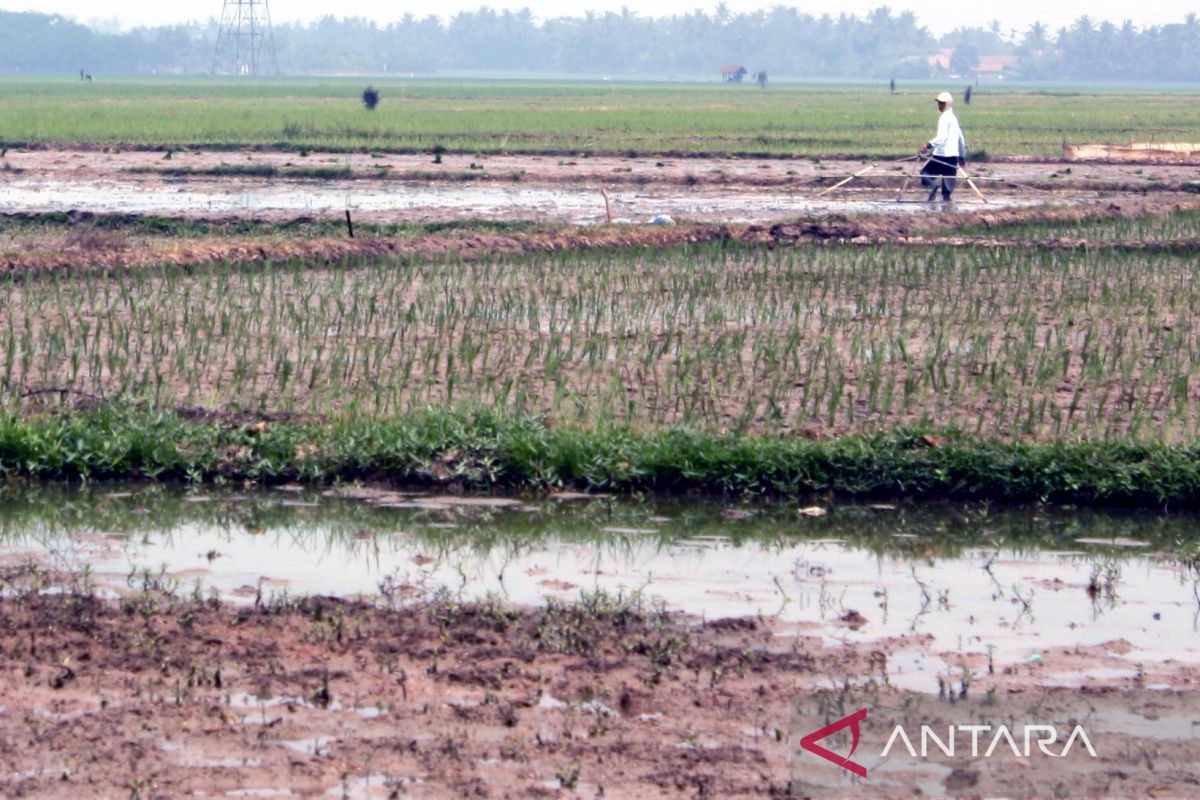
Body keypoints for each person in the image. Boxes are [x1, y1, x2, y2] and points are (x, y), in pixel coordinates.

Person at [920, 91, 967, 202]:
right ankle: (947, 211)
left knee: (925, 175)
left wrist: (928, 145)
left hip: (941, 156)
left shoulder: (944, 118)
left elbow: (942, 137)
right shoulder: (954, 119)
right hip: (953, 157)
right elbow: (961, 139)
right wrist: (962, 156)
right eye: (939, 103)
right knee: (947, 192)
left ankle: (934, 187)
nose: (940, 106)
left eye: (942, 103)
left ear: (948, 104)